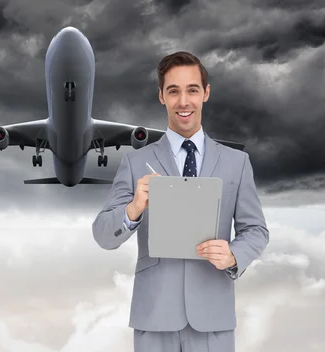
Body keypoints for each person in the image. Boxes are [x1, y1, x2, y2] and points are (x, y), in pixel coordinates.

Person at [92, 51, 269, 352]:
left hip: (213, 319)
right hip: (154, 317)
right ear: (161, 96)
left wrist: (234, 255)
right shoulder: (136, 162)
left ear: (206, 93)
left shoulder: (236, 163)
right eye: (173, 91)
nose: (183, 101)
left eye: (192, 90)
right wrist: (133, 209)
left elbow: (256, 230)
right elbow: (102, 235)